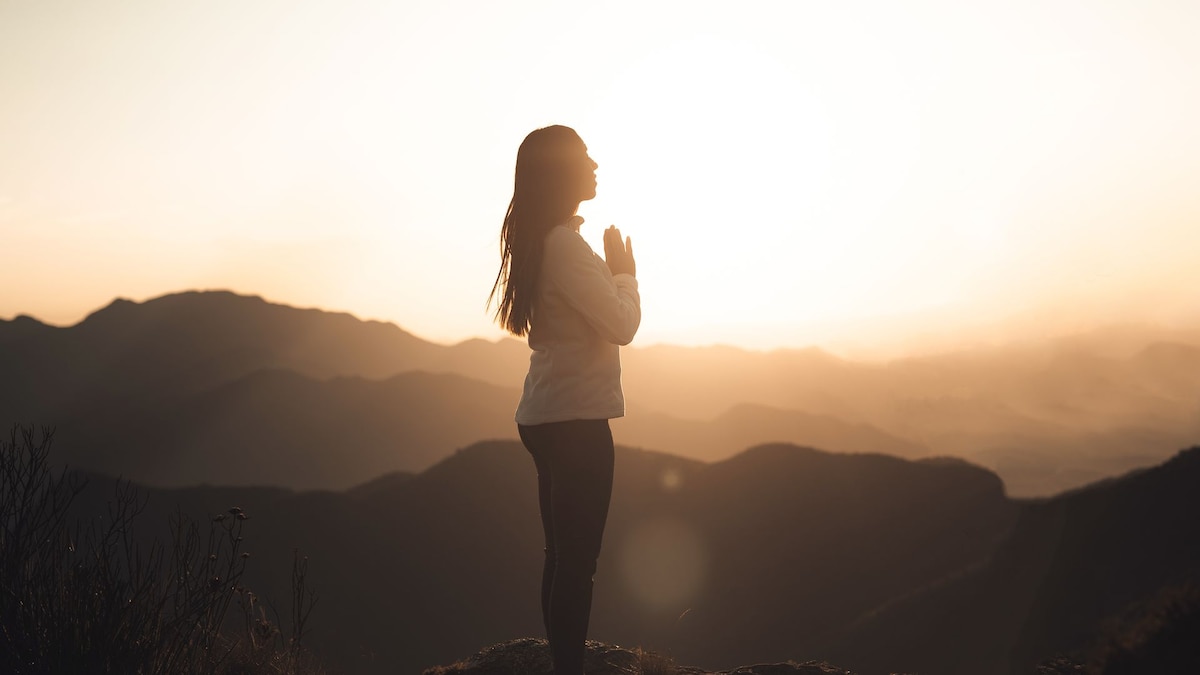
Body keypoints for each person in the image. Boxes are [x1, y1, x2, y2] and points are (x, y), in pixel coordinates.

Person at [488, 125, 640, 675]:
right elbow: (622, 325)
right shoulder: (565, 246)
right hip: (576, 421)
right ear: (560, 173)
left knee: (561, 557)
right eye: (583, 157)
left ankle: (561, 664)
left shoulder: (540, 239)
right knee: (578, 563)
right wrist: (625, 274)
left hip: (544, 415)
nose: (595, 163)